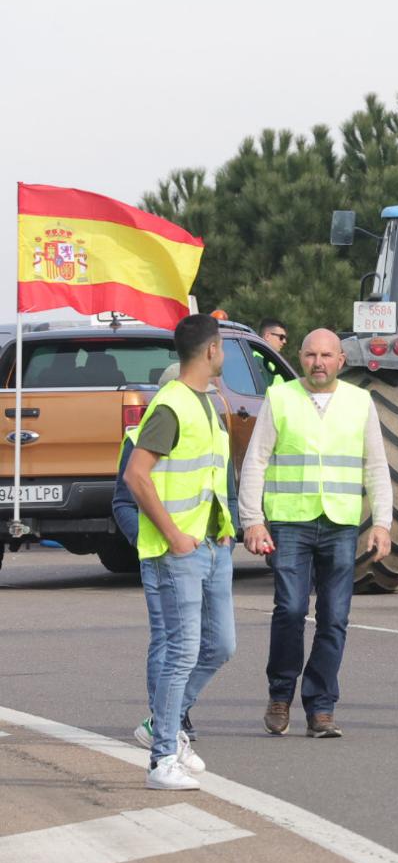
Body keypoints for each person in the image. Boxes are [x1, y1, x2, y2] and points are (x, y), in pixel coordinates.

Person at [238, 328, 392, 739]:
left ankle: (321, 707)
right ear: (300, 358)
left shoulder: (360, 402)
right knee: (289, 609)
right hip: (291, 521)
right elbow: (256, 460)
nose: (318, 362)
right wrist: (252, 519)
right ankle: (280, 694)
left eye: (327, 355)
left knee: (335, 618)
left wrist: (382, 523)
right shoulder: (280, 397)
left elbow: (376, 466)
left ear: (341, 360)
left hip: (340, 524)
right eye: (310, 355)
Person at [121, 315, 238, 789]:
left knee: (221, 646)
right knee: (182, 651)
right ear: (211, 351)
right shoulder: (171, 405)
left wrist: (224, 528)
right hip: (177, 551)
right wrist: (172, 535)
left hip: (212, 545)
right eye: (223, 347)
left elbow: (209, 476)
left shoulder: (205, 402)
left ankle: (159, 724)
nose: (223, 354)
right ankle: (162, 758)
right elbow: (136, 476)